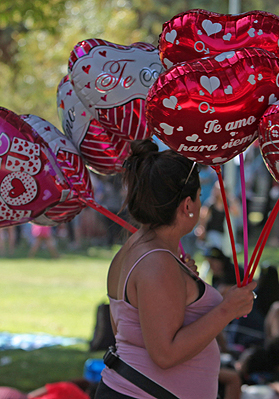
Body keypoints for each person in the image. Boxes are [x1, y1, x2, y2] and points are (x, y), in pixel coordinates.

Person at [95, 140, 256, 399]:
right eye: (199, 198)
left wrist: (180, 280)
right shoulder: (156, 262)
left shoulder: (139, 251)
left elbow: (128, 329)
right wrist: (227, 309)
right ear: (187, 205)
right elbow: (165, 354)